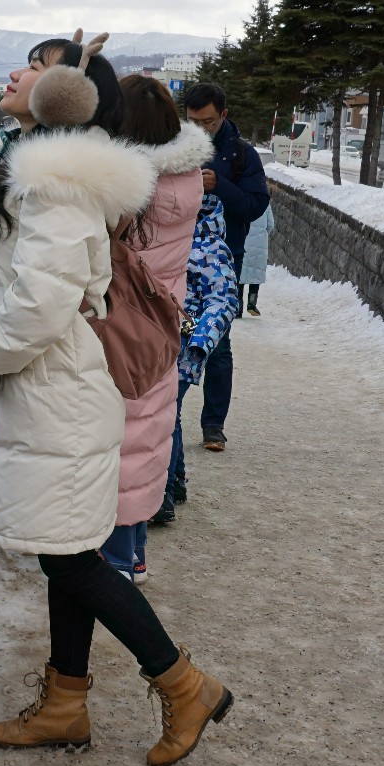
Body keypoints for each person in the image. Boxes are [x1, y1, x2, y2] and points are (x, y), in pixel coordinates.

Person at [0, 35, 232, 766]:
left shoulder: (57, 183)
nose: (17, 73)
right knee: (65, 553)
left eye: (37, 68)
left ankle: (183, 684)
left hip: (60, 394)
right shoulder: (53, 172)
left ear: (63, 99)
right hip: (61, 393)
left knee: (75, 558)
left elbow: (43, 301)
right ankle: (65, 703)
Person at [99, 75, 211, 583]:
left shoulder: (126, 188)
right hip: (163, 325)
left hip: (120, 325)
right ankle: (136, 552)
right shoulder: (188, 180)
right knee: (150, 434)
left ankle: (117, 561)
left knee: (120, 439)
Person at [179, 82, 269, 453]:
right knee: (170, 340)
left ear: (224, 116)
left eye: (208, 121)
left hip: (223, 260)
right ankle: (166, 418)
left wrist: (220, 187)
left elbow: (255, 205)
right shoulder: (175, 145)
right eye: (193, 121)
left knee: (218, 345)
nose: (200, 128)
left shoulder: (242, 155)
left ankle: (213, 425)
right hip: (177, 258)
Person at [150, 194, 237, 528]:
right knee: (169, 411)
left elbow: (224, 300)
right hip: (159, 341)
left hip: (186, 346)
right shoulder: (160, 240)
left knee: (165, 415)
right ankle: (177, 480)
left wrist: (201, 342)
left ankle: (162, 498)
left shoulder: (212, 248)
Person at [241, 202, 272, 316]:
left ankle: (238, 307)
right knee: (256, 273)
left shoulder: (241, 200)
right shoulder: (264, 203)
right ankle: (252, 304)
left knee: (240, 275)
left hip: (243, 241)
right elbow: (270, 225)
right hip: (260, 244)